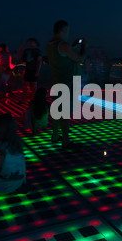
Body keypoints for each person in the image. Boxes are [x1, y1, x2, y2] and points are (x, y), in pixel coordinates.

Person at [46, 20, 86, 149]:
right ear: (63, 30)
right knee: (65, 113)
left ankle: (55, 135)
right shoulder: (63, 45)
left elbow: (63, 56)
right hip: (66, 82)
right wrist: (85, 46)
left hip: (56, 80)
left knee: (58, 110)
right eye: (67, 31)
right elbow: (80, 58)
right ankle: (66, 141)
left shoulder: (50, 44)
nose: (68, 33)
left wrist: (72, 46)